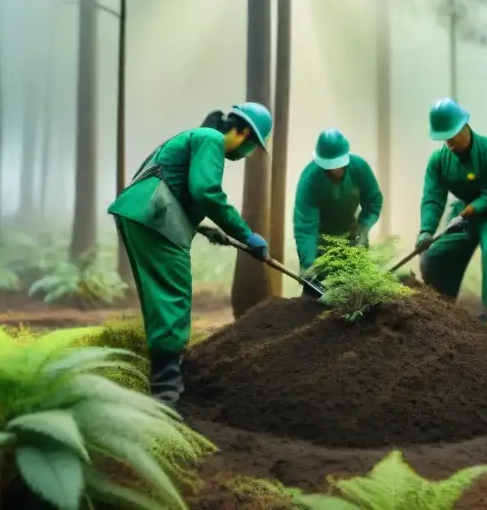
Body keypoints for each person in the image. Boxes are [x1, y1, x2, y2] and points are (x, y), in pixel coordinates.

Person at [108, 102, 273, 407]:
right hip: (154, 218)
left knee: (162, 295)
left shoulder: (195, 137)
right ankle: (167, 394)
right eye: (252, 146)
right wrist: (244, 233)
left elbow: (174, 184)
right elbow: (206, 191)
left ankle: (165, 379)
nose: (248, 154)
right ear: (243, 132)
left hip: (142, 213)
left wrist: (206, 228)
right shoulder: (211, 139)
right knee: (173, 294)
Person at [416, 98, 487, 330]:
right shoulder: (439, 161)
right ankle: (442, 312)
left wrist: (475, 208)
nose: (451, 144)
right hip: (464, 214)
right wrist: (426, 230)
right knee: (434, 256)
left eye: (454, 136)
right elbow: (433, 198)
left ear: (466, 125)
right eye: (446, 138)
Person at [293, 129, 384, 294]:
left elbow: (374, 201)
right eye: (330, 166)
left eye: (339, 165)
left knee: (359, 293)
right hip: (320, 245)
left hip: (353, 239)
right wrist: (308, 263)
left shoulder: (360, 169)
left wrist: (364, 226)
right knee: (314, 297)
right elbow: (305, 226)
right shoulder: (309, 180)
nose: (335, 170)